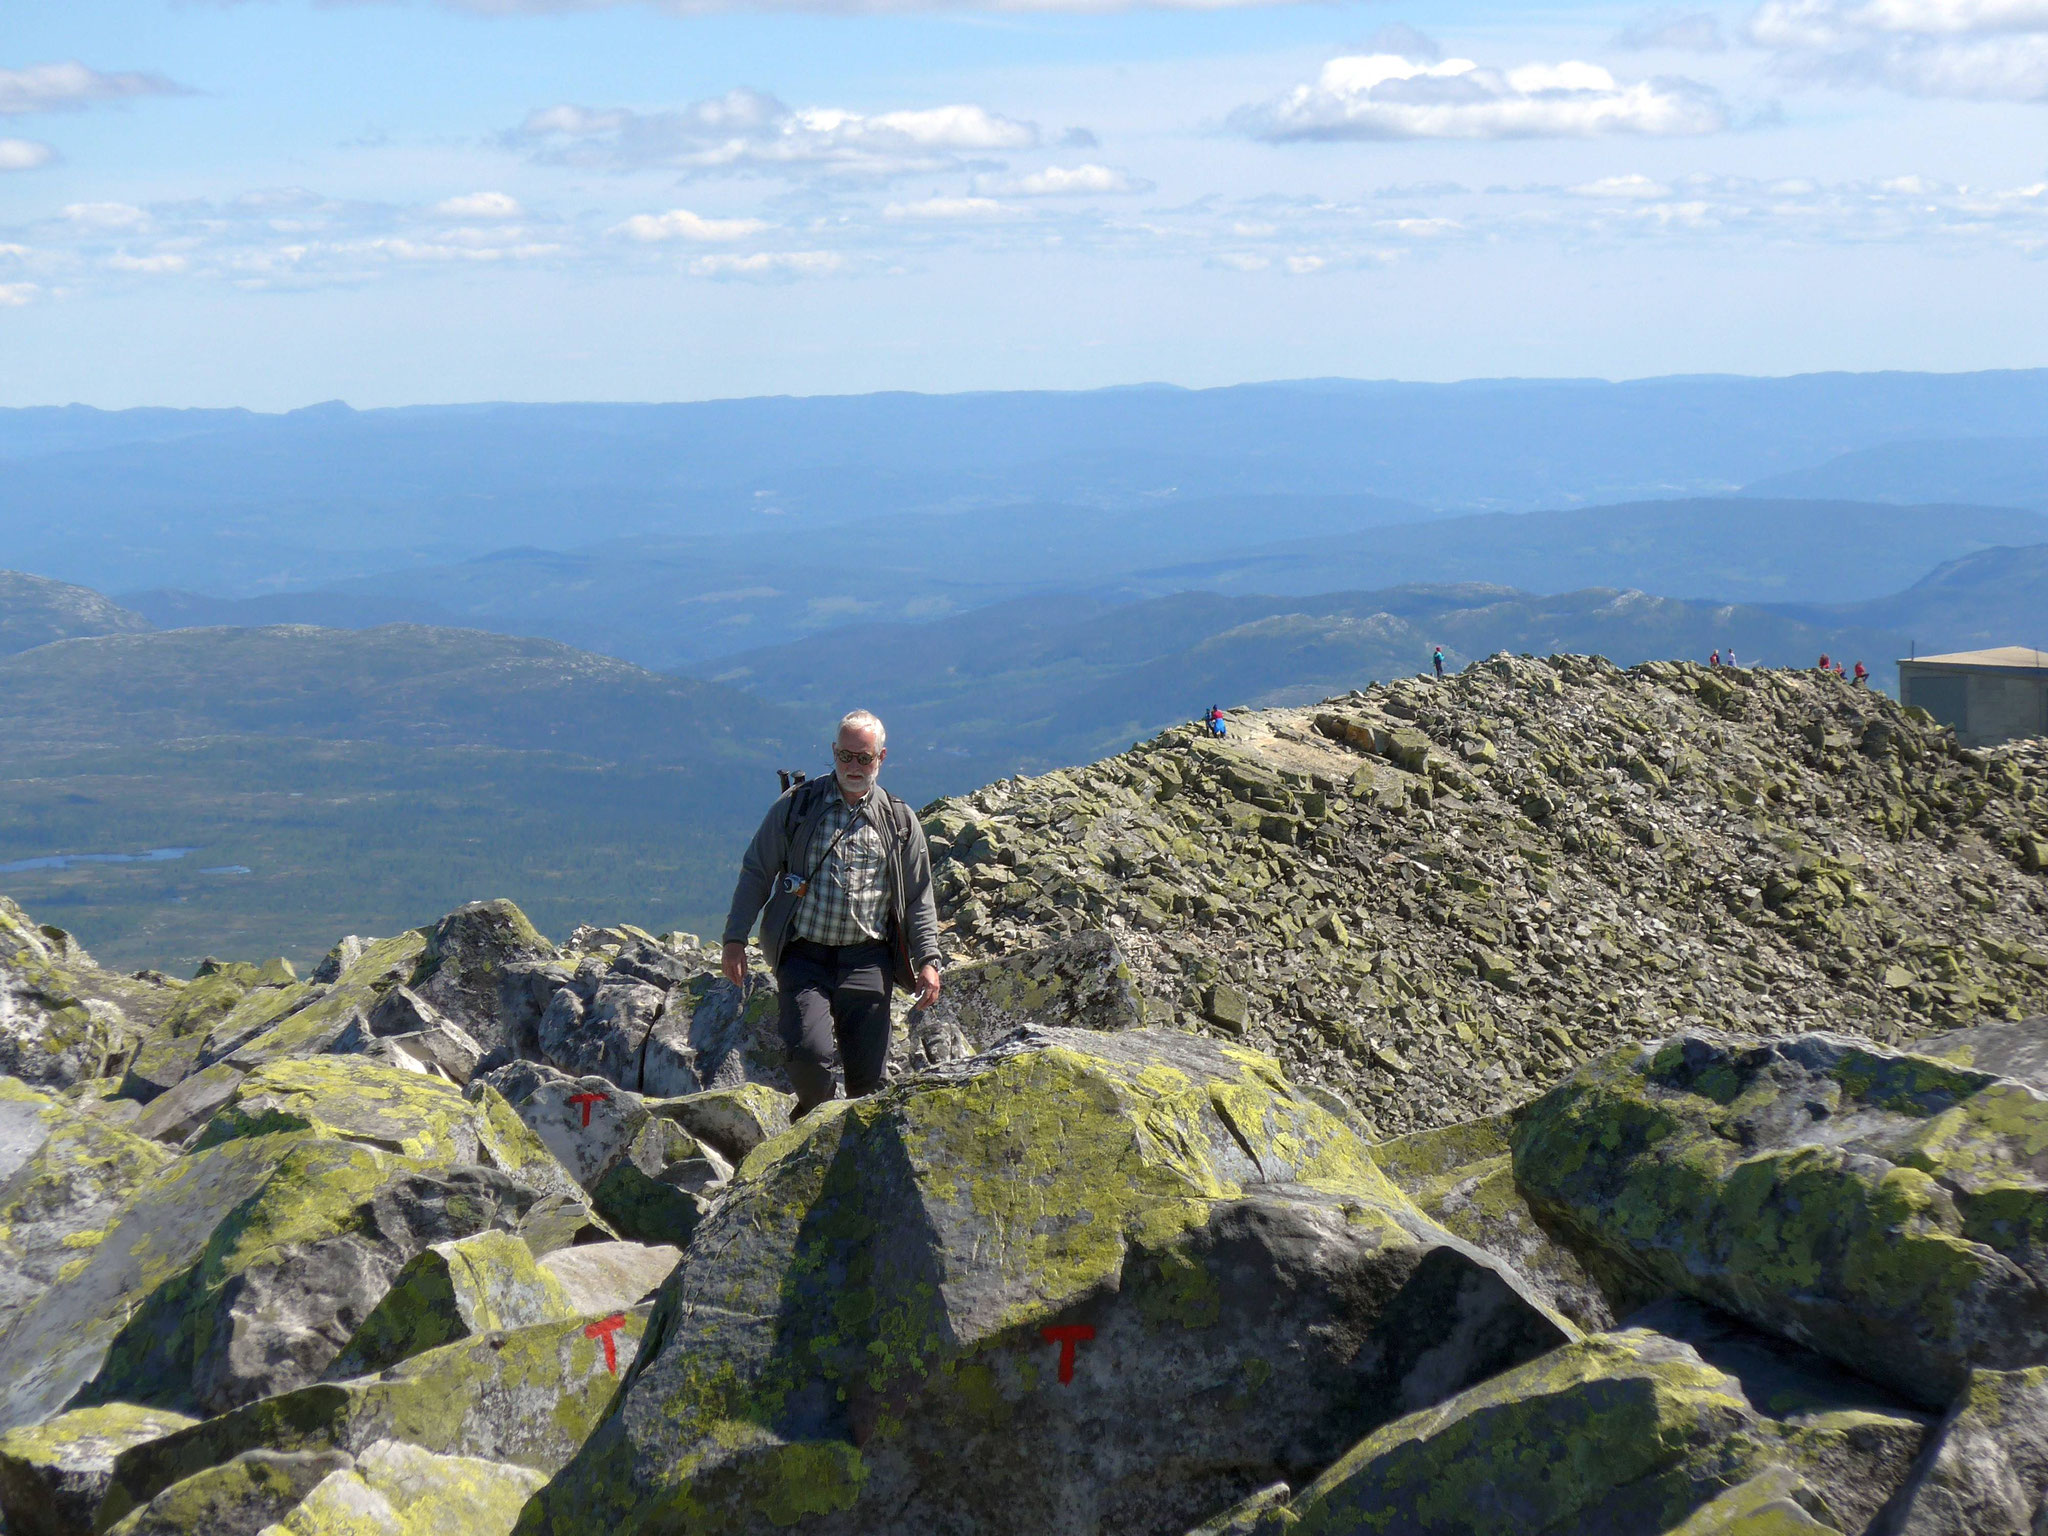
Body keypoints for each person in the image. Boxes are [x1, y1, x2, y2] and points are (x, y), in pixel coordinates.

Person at [722, 709, 942, 1117]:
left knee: (868, 1080)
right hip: (804, 955)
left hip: (867, 958)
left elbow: (918, 897)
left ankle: (850, 1158)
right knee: (808, 1054)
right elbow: (757, 871)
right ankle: (813, 1127)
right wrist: (735, 939)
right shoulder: (797, 808)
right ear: (833, 752)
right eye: (845, 756)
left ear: (881, 758)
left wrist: (928, 959)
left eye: (864, 758)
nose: (853, 766)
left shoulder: (898, 820)